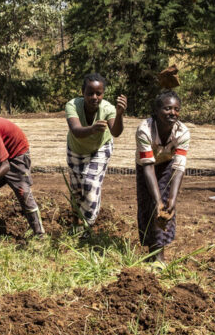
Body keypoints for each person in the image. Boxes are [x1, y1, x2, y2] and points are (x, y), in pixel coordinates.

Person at [65, 74, 127, 233]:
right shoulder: (72, 105)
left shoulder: (108, 109)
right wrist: (92, 129)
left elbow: (116, 132)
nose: (94, 97)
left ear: (103, 94)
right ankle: (74, 222)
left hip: (99, 149)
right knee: (76, 189)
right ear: (82, 92)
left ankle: (86, 228)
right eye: (90, 93)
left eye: (98, 93)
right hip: (76, 149)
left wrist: (119, 114)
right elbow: (76, 130)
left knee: (90, 184)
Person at [135, 91, 190, 262]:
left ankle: (159, 257)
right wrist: (157, 200)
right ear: (157, 111)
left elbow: (179, 167)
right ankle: (151, 250)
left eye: (176, 109)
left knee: (165, 205)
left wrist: (172, 199)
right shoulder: (144, 130)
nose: (173, 113)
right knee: (149, 204)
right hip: (146, 166)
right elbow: (148, 166)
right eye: (167, 108)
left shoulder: (182, 132)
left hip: (168, 165)